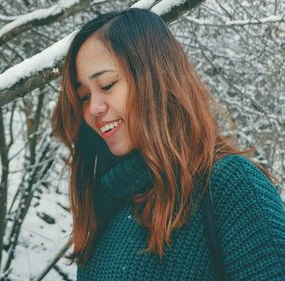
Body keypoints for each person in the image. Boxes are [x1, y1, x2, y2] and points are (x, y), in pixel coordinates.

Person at [51, 8, 285, 280]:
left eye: (107, 85)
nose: (94, 108)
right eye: (83, 97)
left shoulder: (230, 185)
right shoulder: (106, 205)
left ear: (156, 79)